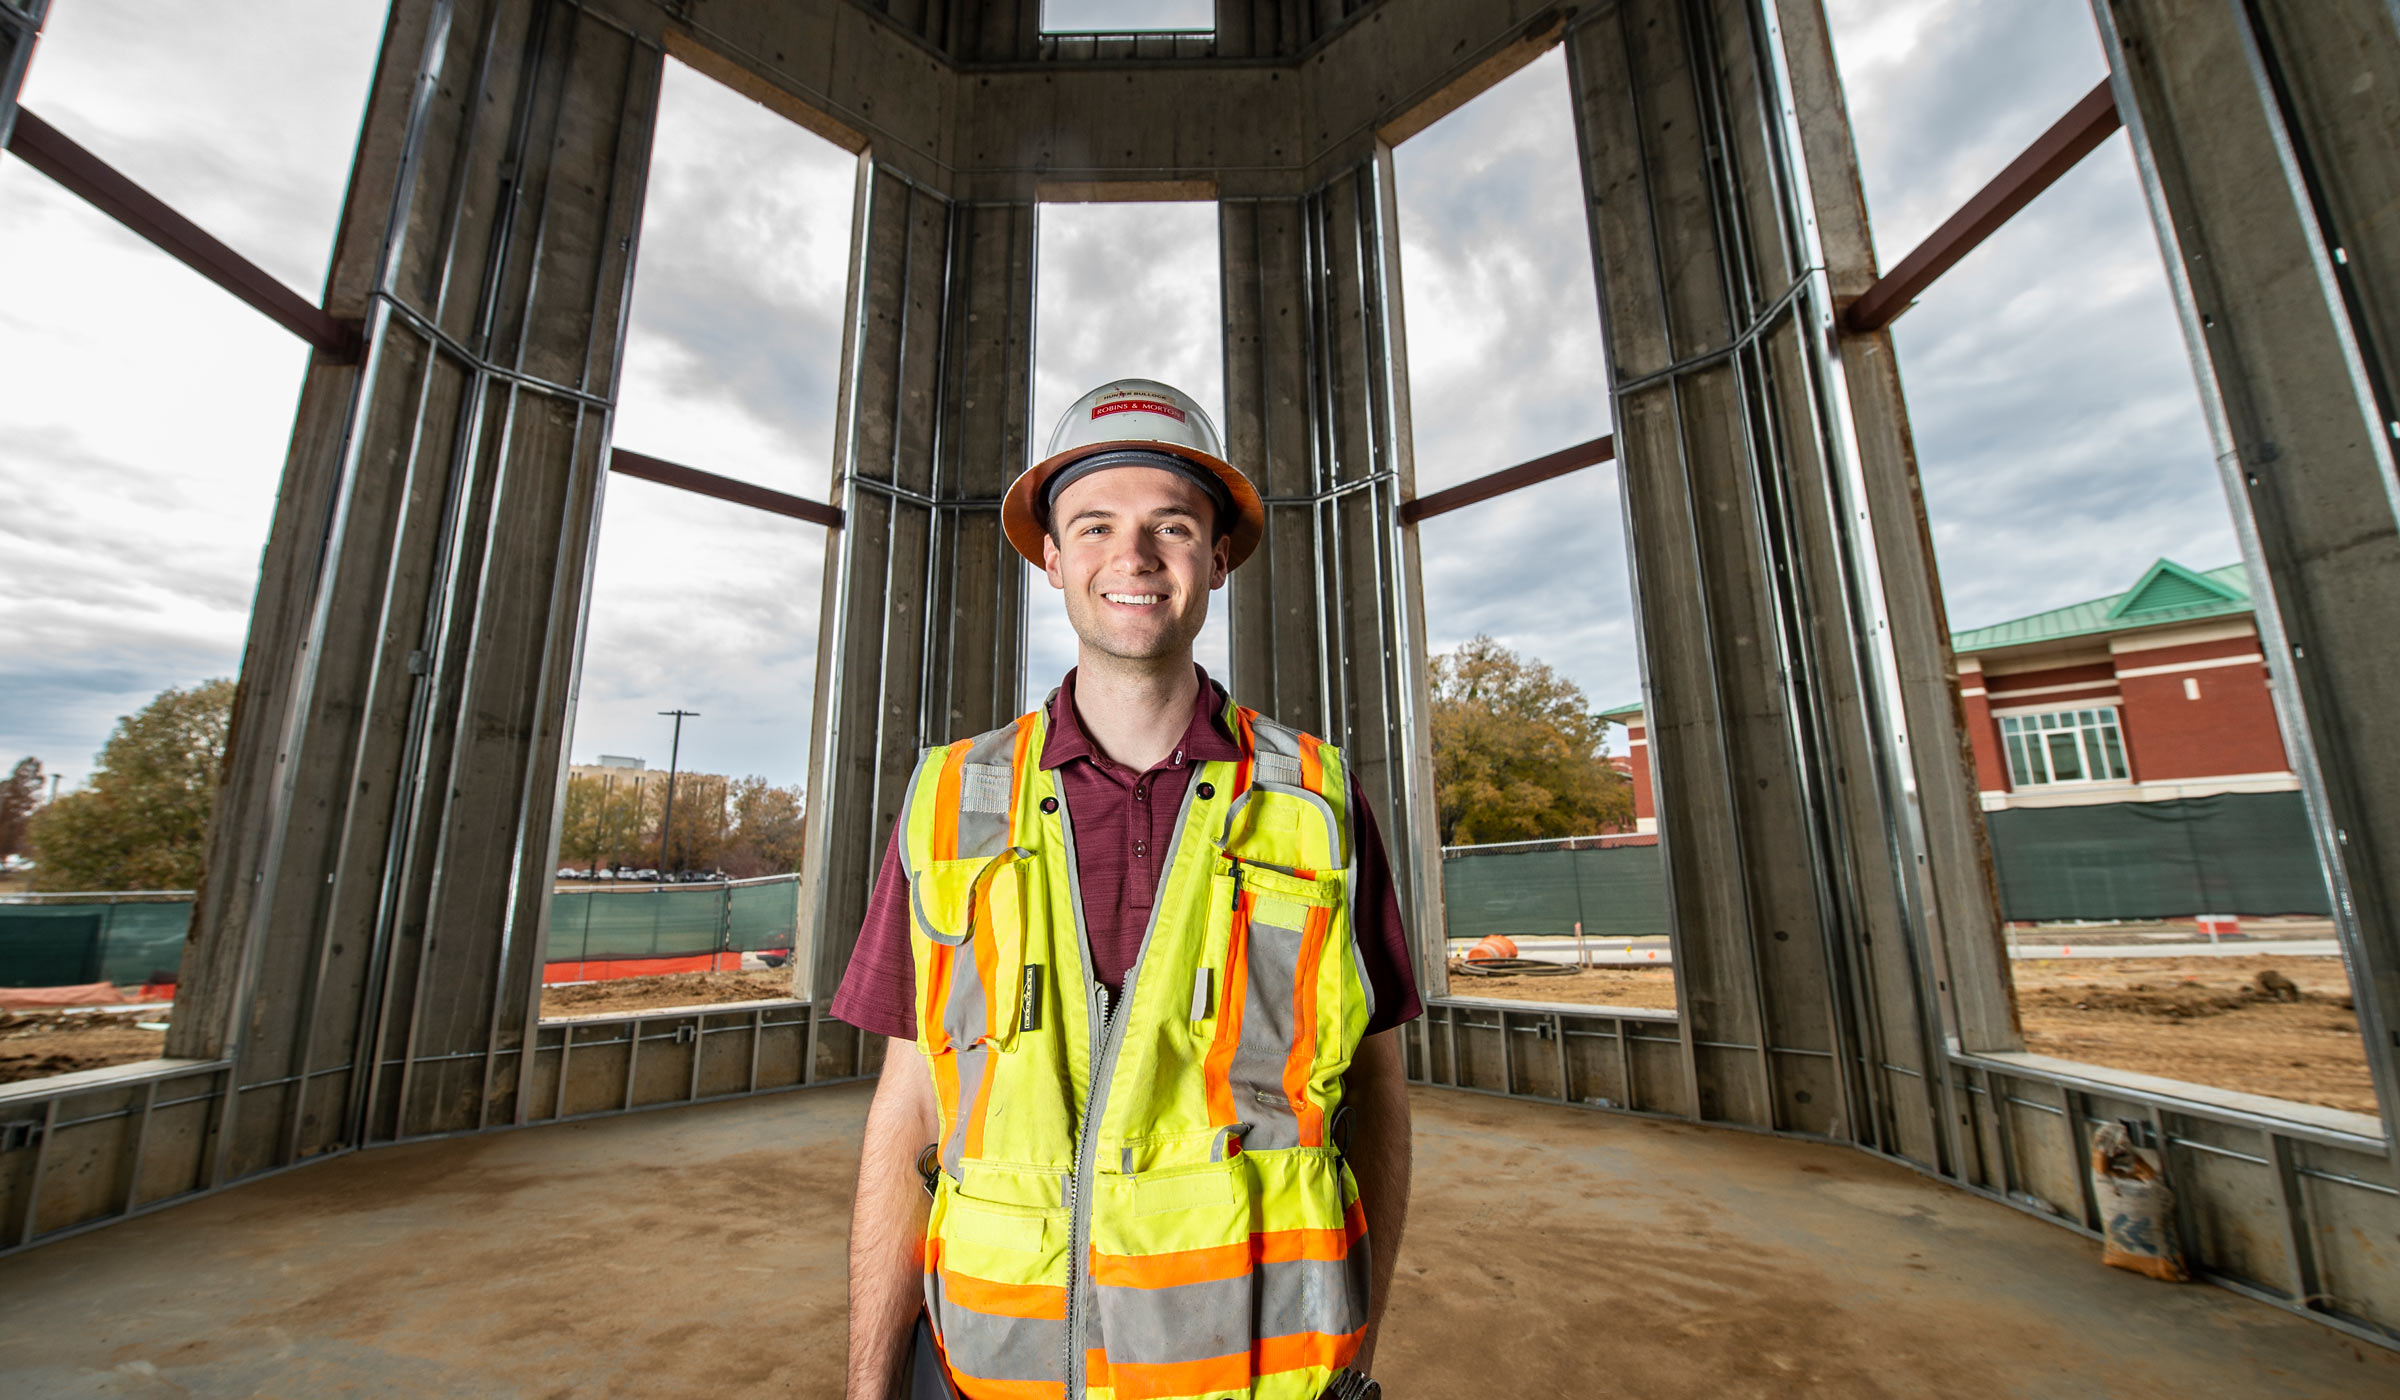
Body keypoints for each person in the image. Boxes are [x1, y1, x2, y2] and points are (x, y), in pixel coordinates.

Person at [832, 378, 1421, 1400]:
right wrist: (870, 1385)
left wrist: (1353, 1354)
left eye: (1174, 526)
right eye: (1095, 524)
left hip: (1261, 1377)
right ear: (1051, 557)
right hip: (988, 1374)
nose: (1134, 557)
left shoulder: (1316, 801)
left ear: (1218, 558)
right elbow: (909, 1099)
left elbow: (1377, 1093)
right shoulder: (950, 802)